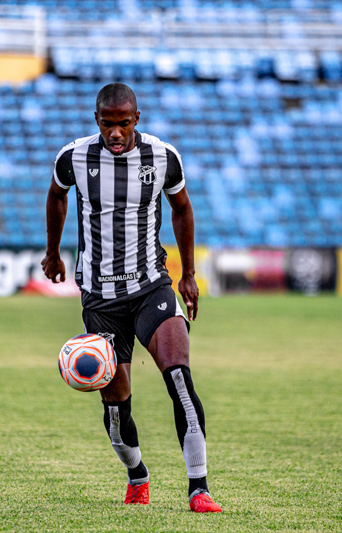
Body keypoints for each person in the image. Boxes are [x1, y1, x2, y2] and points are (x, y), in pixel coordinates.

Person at [41, 83, 221, 512]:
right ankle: (137, 475)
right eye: (108, 124)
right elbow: (56, 197)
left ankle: (199, 488)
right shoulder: (74, 158)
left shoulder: (163, 157)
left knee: (180, 379)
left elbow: (182, 209)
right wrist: (52, 251)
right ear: (96, 120)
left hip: (151, 287)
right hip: (100, 299)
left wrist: (189, 274)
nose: (116, 132)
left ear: (136, 120)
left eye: (124, 123)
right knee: (117, 402)